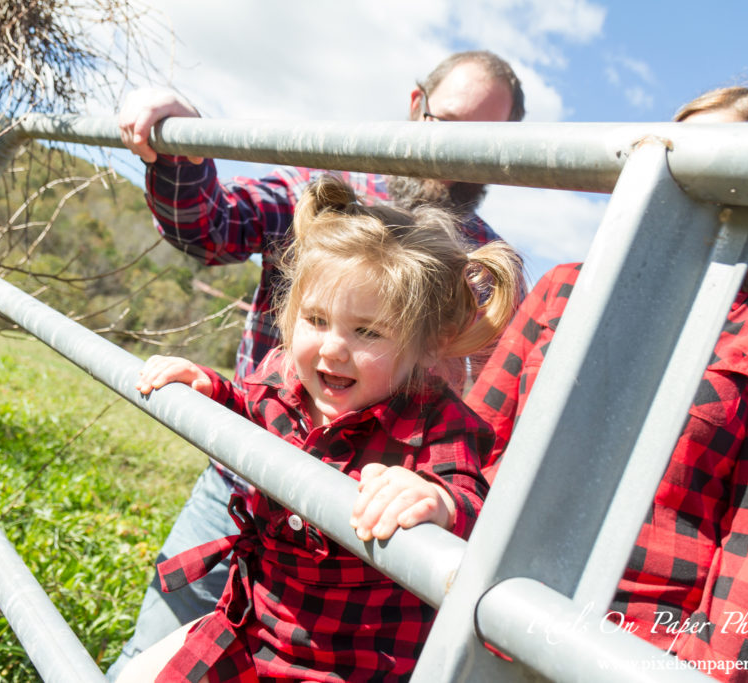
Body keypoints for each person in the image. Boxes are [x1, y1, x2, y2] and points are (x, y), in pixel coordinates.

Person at [109, 50, 526, 677]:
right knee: (156, 654)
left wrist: (437, 499)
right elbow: (209, 225)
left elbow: (472, 460)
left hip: (350, 557)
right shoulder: (328, 194)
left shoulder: (479, 268)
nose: (460, 154)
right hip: (243, 483)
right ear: (417, 107)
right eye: (452, 124)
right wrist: (181, 150)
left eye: (484, 141)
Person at [465, 87, 748, 681]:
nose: (684, 177)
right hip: (480, 597)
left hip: (629, 645)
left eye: (714, 158)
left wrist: (695, 673)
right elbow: (472, 441)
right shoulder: (566, 287)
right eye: (674, 153)